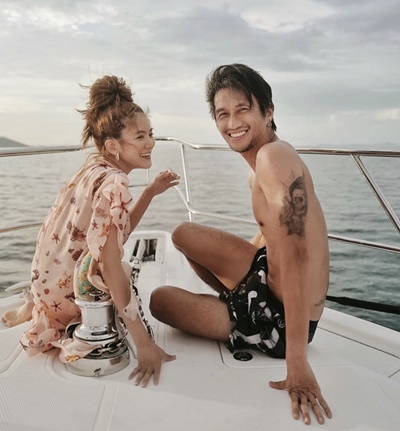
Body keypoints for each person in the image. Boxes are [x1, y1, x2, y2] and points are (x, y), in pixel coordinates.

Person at [150, 64, 332, 424]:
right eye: (223, 114)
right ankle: (234, 301)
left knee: (160, 301)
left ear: (268, 112)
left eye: (242, 109)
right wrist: (241, 278)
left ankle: (235, 315)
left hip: (281, 320)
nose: (232, 123)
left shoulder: (273, 158)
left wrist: (297, 362)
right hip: (266, 279)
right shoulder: (262, 162)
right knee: (182, 235)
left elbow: (297, 254)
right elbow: (272, 234)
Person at [2, 75, 179, 387]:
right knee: (123, 268)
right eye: (140, 137)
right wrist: (143, 343)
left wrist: (150, 192)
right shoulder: (115, 183)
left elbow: (114, 234)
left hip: (46, 287)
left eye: (151, 134)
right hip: (68, 296)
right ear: (113, 146)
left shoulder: (92, 168)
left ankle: (40, 310)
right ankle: (65, 319)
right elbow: (109, 265)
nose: (150, 142)